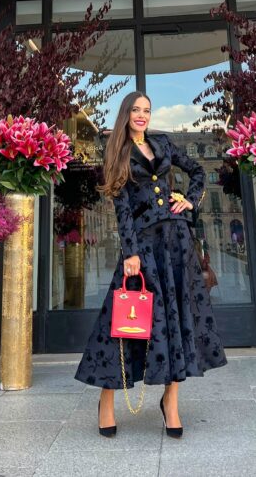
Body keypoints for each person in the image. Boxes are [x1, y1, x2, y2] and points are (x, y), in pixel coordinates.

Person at [74, 91, 227, 438]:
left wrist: (189, 200)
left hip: (177, 241)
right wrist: (130, 253)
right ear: (126, 114)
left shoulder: (163, 143)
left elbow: (197, 171)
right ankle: (106, 399)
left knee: (177, 317)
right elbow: (122, 209)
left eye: (147, 110)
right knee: (122, 323)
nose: (142, 115)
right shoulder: (117, 152)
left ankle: (171, 401)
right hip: (143, 245)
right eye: (136, 110)